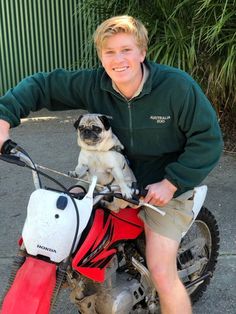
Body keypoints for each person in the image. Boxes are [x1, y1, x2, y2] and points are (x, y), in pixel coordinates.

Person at [0, 15, 223, 313]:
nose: (118, 60)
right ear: (101, 57)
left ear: (142, 53)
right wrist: (4, 117)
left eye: (126, 49)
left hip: (163, 188)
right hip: (108, 183)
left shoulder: (177, 88)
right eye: (109, 52)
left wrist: (172, 182)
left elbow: (208, 140)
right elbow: (42, 85)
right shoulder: (94, 84)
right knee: (68, 237)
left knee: (161, 271)